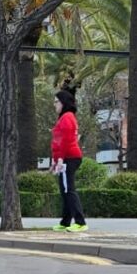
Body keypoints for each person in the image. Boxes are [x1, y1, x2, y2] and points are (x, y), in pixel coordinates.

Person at [50, 89, 88, 232]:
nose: (54, 105)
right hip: (66, 158)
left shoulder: (67, 117)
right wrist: (55, 160)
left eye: (56, 102)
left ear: (63, 103)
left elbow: (65, 141)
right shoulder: (65, 117)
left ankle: (80, 222)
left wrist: (60, 159)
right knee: (65, 190)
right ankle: (65, 222)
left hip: (69, 158)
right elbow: (59, 142)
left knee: (69, 190)